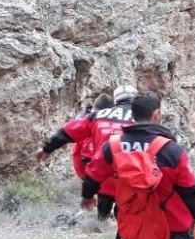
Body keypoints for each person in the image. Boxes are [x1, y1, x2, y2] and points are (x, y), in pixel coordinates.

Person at [82, 92, 195, 239]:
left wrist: (87, 197)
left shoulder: (113, 146)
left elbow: (92, 175)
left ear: (132, 115)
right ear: (156, 115)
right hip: (171, 217)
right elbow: (189, 189)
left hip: (135, 216)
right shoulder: (171, 149)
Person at [36, 85, 137, 220]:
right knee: (128, 222)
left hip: (102, 179)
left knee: (102, 220)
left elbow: (68, 131)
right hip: (130, 181)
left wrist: (47, 148)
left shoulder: (99, 115)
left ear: (116, 101)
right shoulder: (142, 118)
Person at [69, 93, 114, 180]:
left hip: (89, 169)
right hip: (97, 171)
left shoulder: (82, 119)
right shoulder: (101, 124)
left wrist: (82, 176)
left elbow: (76, 152)